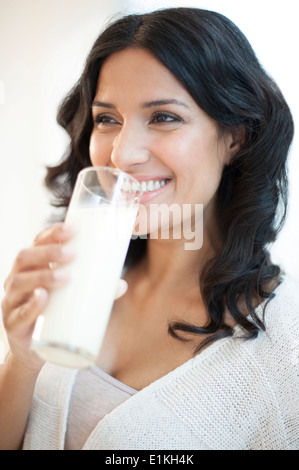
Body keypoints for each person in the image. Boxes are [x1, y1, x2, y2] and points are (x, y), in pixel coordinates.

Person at [0, 7, 298, 450]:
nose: (122, 155)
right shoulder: (77, 279)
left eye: (163, 117)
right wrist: (22, 359)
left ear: (234, 137)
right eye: (107, 119)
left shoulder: (285, 345)